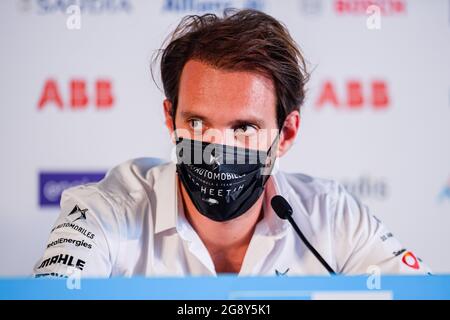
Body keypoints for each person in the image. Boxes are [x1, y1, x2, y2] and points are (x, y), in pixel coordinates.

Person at [33, 9, 430, 278]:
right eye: (197, 123)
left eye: (243, 128)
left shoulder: (332, 218)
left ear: (286, 134)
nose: (216, 148)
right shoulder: (106, 213)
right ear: (170, 119)